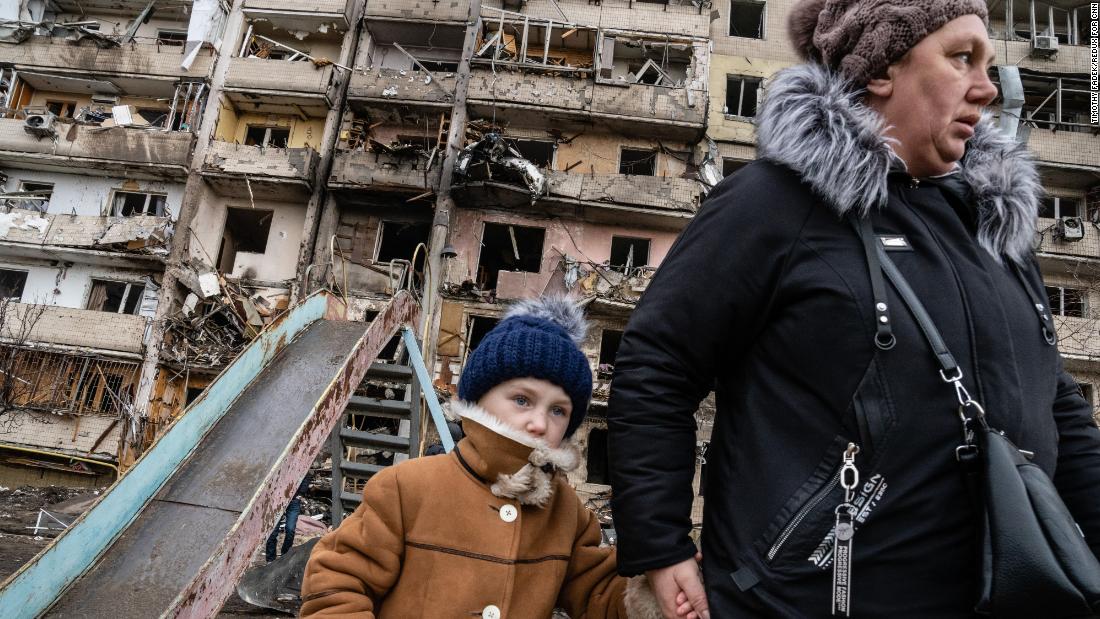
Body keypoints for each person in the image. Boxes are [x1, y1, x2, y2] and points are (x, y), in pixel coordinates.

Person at [606, 0, 1100, 616]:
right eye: (961, 58)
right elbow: (658, 366)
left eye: (991, 65)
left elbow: (1056, 406)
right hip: (801, 602)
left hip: (999, 596)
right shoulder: (771, 204)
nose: (987, 89)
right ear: (881, 69)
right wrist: (658, 546)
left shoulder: (994, 230)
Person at [300, 296, 667, 618]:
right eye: (522, 400)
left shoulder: (566, 513)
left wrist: (658, 587)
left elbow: (598, 595)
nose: (539, 422)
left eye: (559, 411)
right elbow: (338, 579)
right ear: (478, 401)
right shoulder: (407, 487)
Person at [265, 471, 312, 562]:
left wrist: (300, 493)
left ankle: (285, 557)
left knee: (290, 529)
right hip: (277, 500)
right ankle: (270, 560)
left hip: (293, 501)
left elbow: (306, 475)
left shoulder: (299, 463)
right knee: (272, 531)